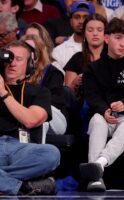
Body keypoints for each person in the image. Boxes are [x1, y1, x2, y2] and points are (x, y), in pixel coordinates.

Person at [79, 18, 124, 192]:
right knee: (96, 121)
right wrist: (104, 110)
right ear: (107, 38)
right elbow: (92, 97)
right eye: (118, 38)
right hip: (105, 115)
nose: (123, 43)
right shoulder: (93, 68)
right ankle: (96, 178)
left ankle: (97, 166)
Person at [0, 40, 60, 195]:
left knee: (51, 154)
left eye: (19, 59)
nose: (12, 63)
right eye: (9, 58)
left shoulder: (40, 92)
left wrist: (3, 93)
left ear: (29, 64)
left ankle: (4, 182)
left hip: (24, 149)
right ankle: (24, 187)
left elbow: (31, 120)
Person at [21, 34, 67, 143]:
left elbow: (54, 102)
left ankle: (35, 155)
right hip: (26, 115)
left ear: (39, 53)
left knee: (39, 120)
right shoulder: (15, 73)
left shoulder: (52, 73)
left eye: (32, 51)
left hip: (54, 116)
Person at [64, 13, 107, 98]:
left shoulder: (113, 57)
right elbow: (67, 94)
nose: (95, 33)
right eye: (90, 30)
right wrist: (75, 82)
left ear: (106, 34)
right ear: (84, 34)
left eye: (99, 30)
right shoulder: (77, 58)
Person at [52, 0, 95, 73]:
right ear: (71, 21)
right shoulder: (58, 51)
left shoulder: (104, 49)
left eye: (85, 17)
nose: (81, 21)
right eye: (77, 17)